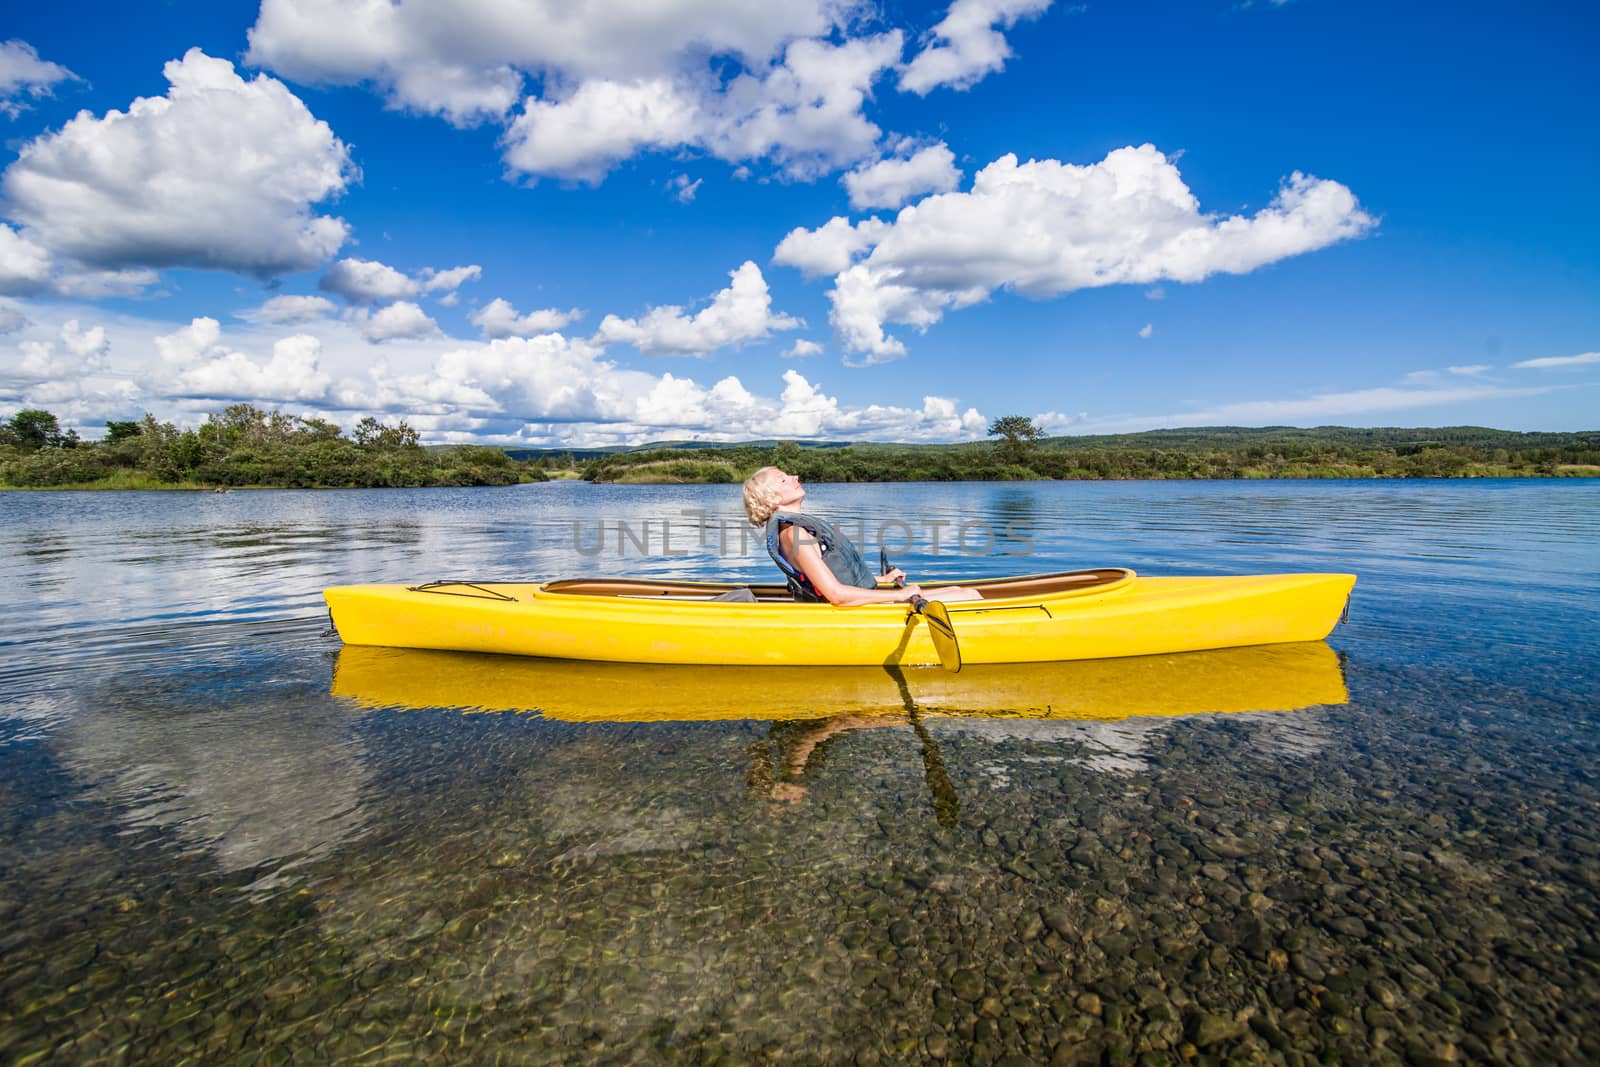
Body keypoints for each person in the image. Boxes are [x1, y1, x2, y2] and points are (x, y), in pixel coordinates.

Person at [741, 466, 982, 605]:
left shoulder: (799, 530)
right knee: (970, 596)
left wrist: (883, 580)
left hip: (859, 601)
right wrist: (900, 595)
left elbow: (835, 577)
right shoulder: (793, 534)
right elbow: (836, 595)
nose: (795, 477)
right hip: (848, 611)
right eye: (784, 479)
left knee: (959, 588)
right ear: (771, 497)